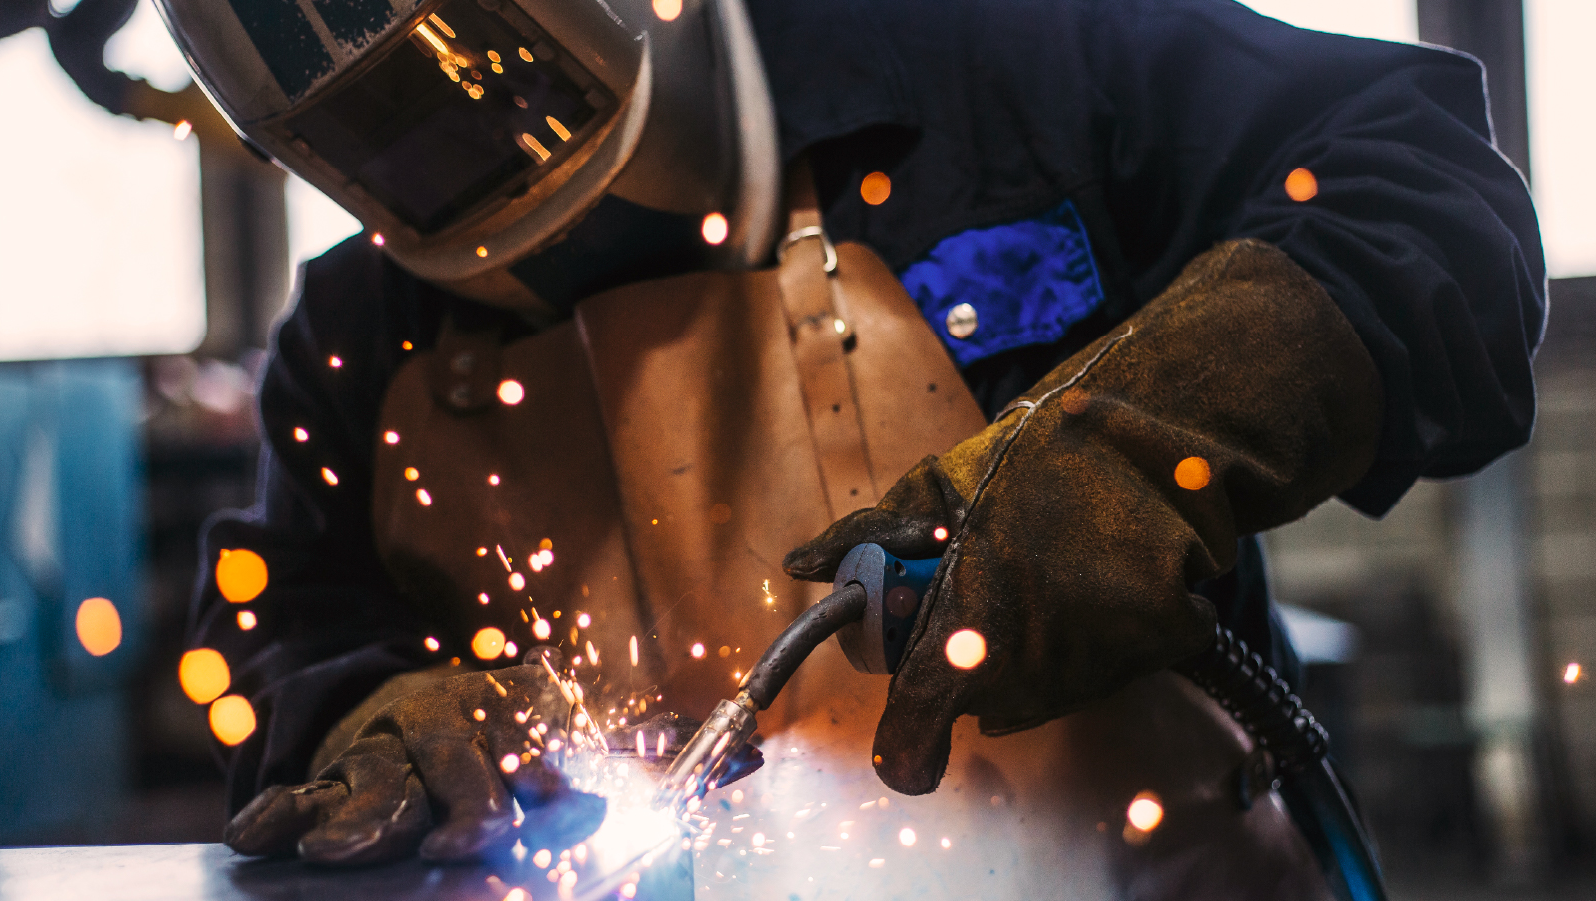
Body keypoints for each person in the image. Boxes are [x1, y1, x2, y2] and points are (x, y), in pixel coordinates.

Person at [164, 0, 1543, 895]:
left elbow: (1420, 186)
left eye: (500, 90)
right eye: (389, 145)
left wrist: (1140, 445)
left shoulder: (998, 67)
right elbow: (291, 620)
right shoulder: (358, 336)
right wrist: (375, 704)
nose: (482, 164)